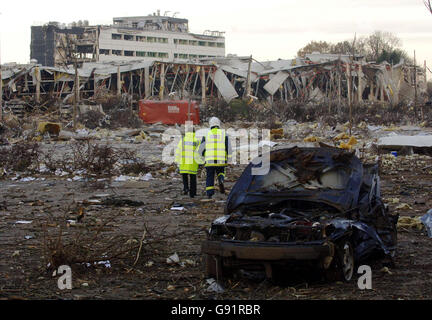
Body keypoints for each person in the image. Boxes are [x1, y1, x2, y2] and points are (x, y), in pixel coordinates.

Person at [198, 117, 232, 199]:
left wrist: (203, 156)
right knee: (221, 171)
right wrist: (229, 159)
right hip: (221, 160)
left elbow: (201, 150)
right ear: (218, 124)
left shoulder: (206, 135)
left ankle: (210, 193)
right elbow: (229, 148)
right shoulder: (224, 134)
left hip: (210, 161)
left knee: (210, 176)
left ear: (210, 125)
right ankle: (221, 178)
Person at [175, 127, 200, 198]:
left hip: (184, 162)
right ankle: (193, 193)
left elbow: (178, 150)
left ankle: (186, 188)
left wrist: (177, 160)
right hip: (193, 163)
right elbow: (199, 152)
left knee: (184, 176)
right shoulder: (197, 140)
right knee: (193, 178)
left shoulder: (183, 140)